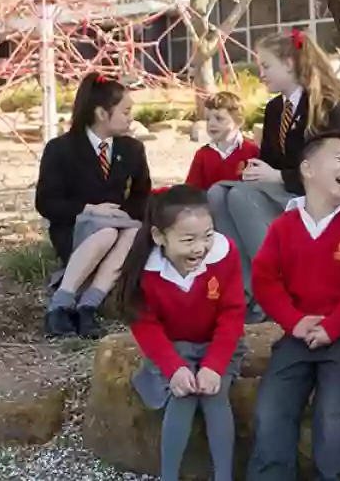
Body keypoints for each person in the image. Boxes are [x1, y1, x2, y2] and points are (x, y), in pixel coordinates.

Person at [247, 132, 340, 481]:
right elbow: (265, 280)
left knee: (334, 412)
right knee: (272, 407)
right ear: (307, 169)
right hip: (298, 334)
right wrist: (294, 323)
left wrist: (333, 327)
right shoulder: (283, 227)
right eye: (339, 159)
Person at [207, 28, 340, 325]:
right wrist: (258, 171)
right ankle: (249, 293)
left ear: (290, 65)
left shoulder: (328, 105)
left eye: (266, 66)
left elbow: (336, 172)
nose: (260, 73)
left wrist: (278, 176)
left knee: (240, 197)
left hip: (319, 197)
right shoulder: (275, 109)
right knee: (217, 193)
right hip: (284, 191)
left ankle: (280, 289)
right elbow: (269, 161)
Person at [118, 185, 246, 481]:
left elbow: (232, 313)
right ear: (159, 237)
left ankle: (224, 476)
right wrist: (174, 369)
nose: (200, 248)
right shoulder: (147, 271)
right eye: (188, 240)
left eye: (207, 236)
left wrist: (214, 367)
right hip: (175, 347)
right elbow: (145, 326)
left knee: (216, 395)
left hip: (219, 344)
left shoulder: (224, 255)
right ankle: (169, 476)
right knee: (183, 396)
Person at [36, 72, 150, 339]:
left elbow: (142, 196)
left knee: (132, 232)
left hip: (119, 227)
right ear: (101, 113)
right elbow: (46, 202)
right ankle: (59, 306)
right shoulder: (60, 149)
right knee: (108, 232)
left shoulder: (132, 149)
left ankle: (88, 306)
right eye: (125, 111)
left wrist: (122, 215)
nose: (130, 117)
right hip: (74, 227)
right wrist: (88, 210)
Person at [185, 91, 261, 191]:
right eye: (208, 119)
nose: (211, 123)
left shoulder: (252, 151)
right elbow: (191, 190)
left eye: (219, 118)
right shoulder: (202, 154)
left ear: (238, 121)